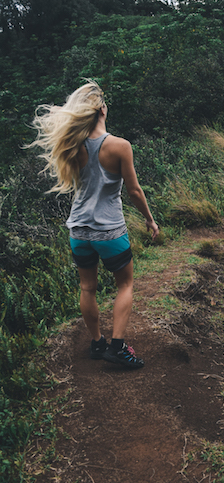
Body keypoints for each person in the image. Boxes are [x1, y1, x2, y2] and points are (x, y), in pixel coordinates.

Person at [28, 81, 159, 368]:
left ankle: (98, 343)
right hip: (109, 230)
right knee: (125, 284)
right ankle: (118, 348)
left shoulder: (71, 145)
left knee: (87, 288)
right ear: (102, 109)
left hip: (78, 230)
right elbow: (134, 191)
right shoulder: (119, 146)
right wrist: (150, 219)